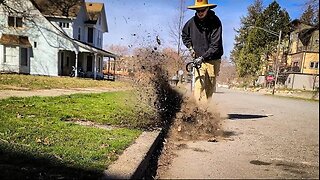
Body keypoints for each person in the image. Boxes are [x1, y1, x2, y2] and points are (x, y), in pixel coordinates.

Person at [182, 0, 223, 105]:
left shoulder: (215, 22)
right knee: (198, 85)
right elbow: (185, 35)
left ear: (208, 9)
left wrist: (203, 57)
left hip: (213, 59)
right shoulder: (191, 22)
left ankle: (206, 109)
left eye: (202, 10)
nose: (200, 13)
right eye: (197, 10)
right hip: (198, 59)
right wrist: (190, 48)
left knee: (209, 87)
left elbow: (215, 45)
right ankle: (197, 110)